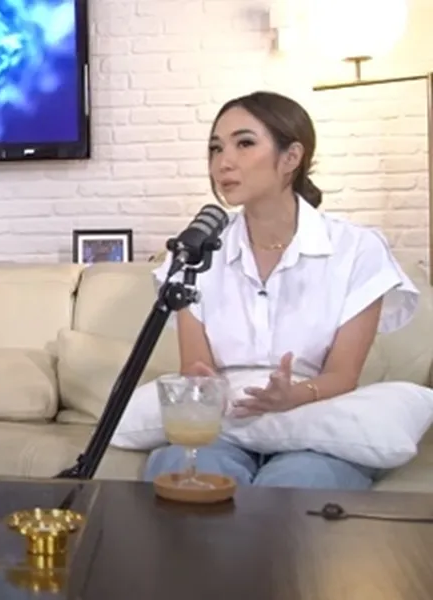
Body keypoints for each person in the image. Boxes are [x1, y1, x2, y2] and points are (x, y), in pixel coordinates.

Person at [143, 91, 420, 491]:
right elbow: (196, 367)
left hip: (315, 422)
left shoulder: (357, 249)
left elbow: (342, 375)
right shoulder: (195, 254)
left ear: (291, 157)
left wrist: (294, 395)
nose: (223, 162)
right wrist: (203, 384)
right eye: (216, 148)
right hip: (226, 422)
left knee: (292, 486)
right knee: (183, 474)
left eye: (244, 143)